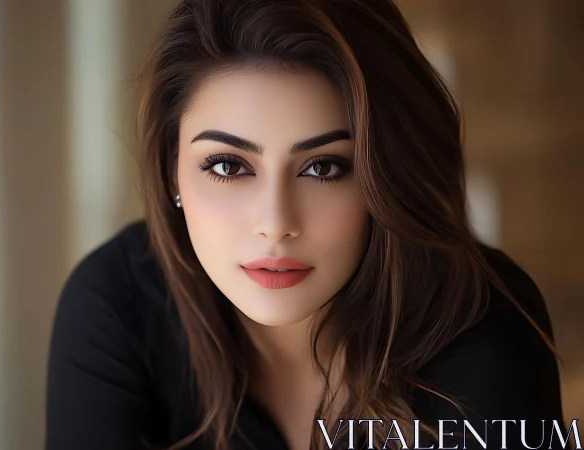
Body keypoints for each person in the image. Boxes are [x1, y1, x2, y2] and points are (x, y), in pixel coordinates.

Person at [45, 0, 566, 449]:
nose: (275, 224)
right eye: (228, 165)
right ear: (170, 171)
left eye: (324, 167)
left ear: (386, 176)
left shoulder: (484, 318)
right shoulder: (115, 306)